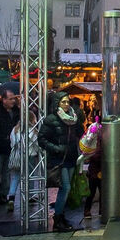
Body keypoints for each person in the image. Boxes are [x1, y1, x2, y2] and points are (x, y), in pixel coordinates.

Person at [38, 92, 81, 232]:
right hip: (59, 158)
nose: (67, 104)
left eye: (68, 102)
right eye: (63, 102)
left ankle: (61, 216)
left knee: (67, 188)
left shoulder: (73, 118)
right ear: (57, 103)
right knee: (66, 187)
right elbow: (42, 139)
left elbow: (79, 133)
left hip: (71, 156)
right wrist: (56, 149)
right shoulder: (51, 119)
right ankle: (57, 218)